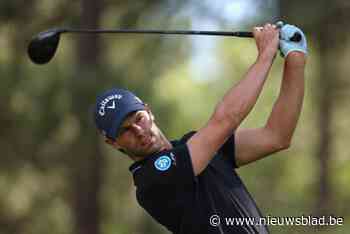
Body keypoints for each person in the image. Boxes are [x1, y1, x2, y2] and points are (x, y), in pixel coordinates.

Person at [93, 22, 307, 234]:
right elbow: (225, 120)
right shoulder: (150, 181)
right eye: (125, 130)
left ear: (149, 111)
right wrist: (265, 55)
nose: (138, 131)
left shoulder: (194, 146)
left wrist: (295, 58)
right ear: (113, 142)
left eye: (138, 118)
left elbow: (276, 136)